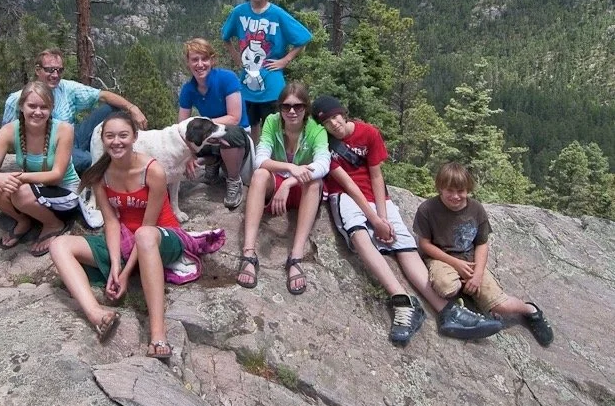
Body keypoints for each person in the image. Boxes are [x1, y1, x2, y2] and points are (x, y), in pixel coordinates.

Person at [312, 95, 504, 345]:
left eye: (335, 116)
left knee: (404, 244)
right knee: (359, 235)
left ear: (343, 113)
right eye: (327, 122)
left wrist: (382, 215)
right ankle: (402, 301)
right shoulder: (325, 144)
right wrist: (374, 220)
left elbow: (376, 176)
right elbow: (347, 183)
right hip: (346, 196)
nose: (334, 124)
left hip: (378, 197)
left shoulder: (369, 133)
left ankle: (446, 310)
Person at [50, 112, 220, 360]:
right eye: (110, 136)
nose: (116, 142)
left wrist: (125, 274)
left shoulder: (153, 171)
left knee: (144, 235)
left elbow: (148, 226)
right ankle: (97, 315)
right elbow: (110, 222)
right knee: (59, 245)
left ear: (135, 138)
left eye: (123, 135)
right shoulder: (101, 175)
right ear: (103, 139)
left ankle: (158, 333)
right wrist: (115, 267)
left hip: (162, 238)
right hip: (127, 240)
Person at [414, 162, 554, 346]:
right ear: (440, 187)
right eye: (450, 190)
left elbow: (482, 243)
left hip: (470, 260)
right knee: (446, 287)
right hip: (442, 257)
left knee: (500, 305)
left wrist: (478, 274)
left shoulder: (476, 209)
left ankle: (530, 310)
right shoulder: (428, 209)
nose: (456, 196)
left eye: (461, 191)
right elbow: (424, 244)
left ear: (468, 189)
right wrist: (455, 264)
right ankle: (464, 303)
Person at [236, 83, 330, 295]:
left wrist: (289, 182)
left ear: (306, 108)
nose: (292, 111)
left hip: (299, 188)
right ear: (279, 108)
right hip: (276, 182)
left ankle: (295, 257)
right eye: (286, 106)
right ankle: (249, 254)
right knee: (260, 175)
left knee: (314, 183)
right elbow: (260, 160)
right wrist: (290, 167)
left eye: (298, 106)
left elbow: (323, 165)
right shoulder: (272, 122)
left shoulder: (316, 130)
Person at [0, 81, 83, 257]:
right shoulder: (10, 130)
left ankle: (54, 224)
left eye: (44, 107)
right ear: (21, 106)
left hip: (65, 190)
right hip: (35, 190)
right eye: (32, 106)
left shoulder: (63, 130)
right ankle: (23, 220)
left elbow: (57, 175)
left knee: (21, 192)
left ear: (51, 108)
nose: (37, 112)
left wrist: (19, 178)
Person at [1, 48, 148, 173]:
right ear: (38, 70)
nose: (55, 75)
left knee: (112, 109)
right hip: (48, 147)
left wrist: (132, 108)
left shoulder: (66, 88)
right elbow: (6, 135)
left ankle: (105, 153)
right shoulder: (17, 99)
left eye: (59, 70)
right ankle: (94, 165)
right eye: (49, 70)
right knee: (85, 160)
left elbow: (102, 95)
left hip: (74, 136)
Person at [221, 0, 312, 144]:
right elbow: (225, 36)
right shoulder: (240, 12)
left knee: (276, 128)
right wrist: (236, 57)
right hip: (247, 83)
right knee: (249, 127)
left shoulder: (277, 14)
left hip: (272, 82)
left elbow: (304, 37)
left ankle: (275, 164)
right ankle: (253, 164)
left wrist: (285, 60)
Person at [178, 37, 254, 209]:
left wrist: (203, 127)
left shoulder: (227, 78)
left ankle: (234, 180)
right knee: (191, 136)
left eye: (204, 59)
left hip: (237, 133)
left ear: (212, 60)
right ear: (188, 63)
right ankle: (212, 164)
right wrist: (187, 153)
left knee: (229, 133)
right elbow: (182, 127)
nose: (200, 64)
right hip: (212, 134)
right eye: (194, 60)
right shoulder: (188, 89)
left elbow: (234, 117)